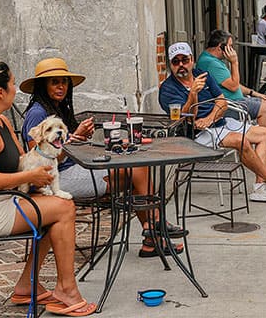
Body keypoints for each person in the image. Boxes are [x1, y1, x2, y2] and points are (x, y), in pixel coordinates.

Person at [0, 54, 95, 316]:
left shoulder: (1, 120)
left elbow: (23, 160)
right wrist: (30, 178)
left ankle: (27, 287)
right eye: (13, 84)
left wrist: (52, 150)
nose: (16, 90)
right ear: (1, 92)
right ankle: (66, 290)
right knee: (63, 210)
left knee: (58, 205)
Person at [20, 57, 184, 259]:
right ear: (42, 86)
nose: (61, 86)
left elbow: (65, 148)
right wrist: (73, 139)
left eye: (64, 82)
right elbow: (39, 160)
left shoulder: (57, 107)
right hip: (58, 179)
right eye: (55, 82)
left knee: (136, 169)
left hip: (74, 167)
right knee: (137, 169)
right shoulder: (38, 113)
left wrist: (80, 138)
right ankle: (155, 228)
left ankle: (153, 236)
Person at [159, 42, 266, 202]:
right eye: (176, 62)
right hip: (195, 135)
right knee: (241, 141)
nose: (181, 65)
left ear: (192, 59)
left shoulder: (202, 74)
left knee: (264, 134)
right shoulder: (168, 89)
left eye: (185, 60)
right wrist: (192, 94)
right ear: (170, 64)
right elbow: (187, 119)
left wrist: (210, 118)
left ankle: (260, 187)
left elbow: (222, 102)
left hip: (219, 122)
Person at [196, 29, 266, 128]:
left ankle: (261, 138)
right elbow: (233, 86)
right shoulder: (211, 63)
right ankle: (261, 138)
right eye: (230, 46)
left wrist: (254, 93)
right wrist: (234, 62)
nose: (232, 50)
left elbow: (231, 83)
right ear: (220, 47)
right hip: (230, 104)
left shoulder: (214, 60)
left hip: (237, 100)